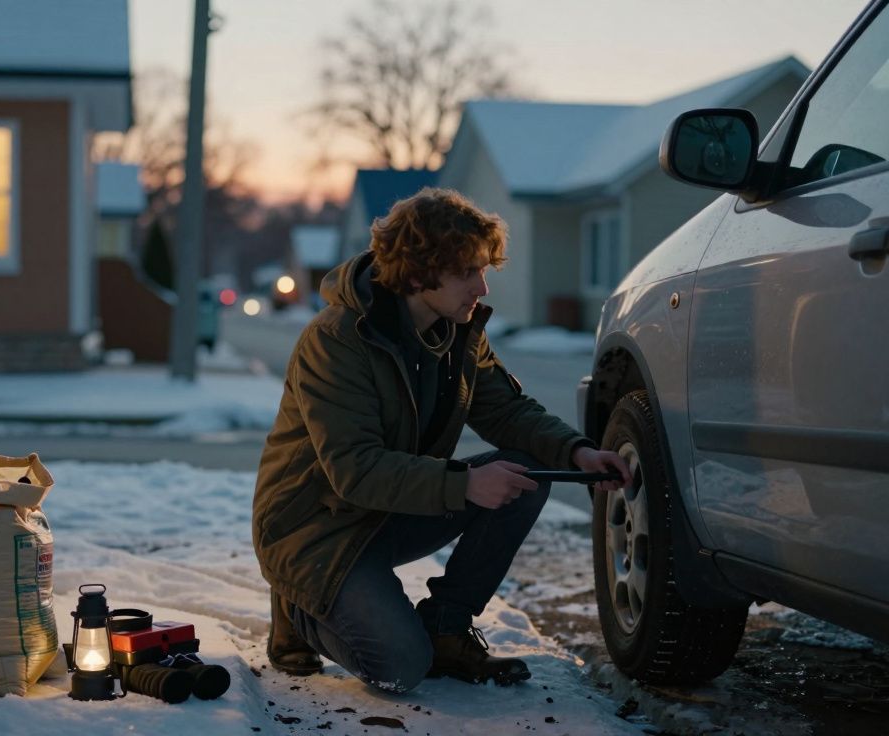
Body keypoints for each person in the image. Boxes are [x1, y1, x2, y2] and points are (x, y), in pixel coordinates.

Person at [252, 187, 631, 694]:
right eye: (468, 272)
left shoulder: (455, 329)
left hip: (388, 510)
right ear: (416, 273)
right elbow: (353, 469)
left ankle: (446, 628)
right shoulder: (337, 340)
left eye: (484, 270)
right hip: (317, 530)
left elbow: (506, 411)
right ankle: (298, 603)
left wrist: (578, 451)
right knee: (401, 667)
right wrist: (466, 484)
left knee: (524, 471)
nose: (482, 287)